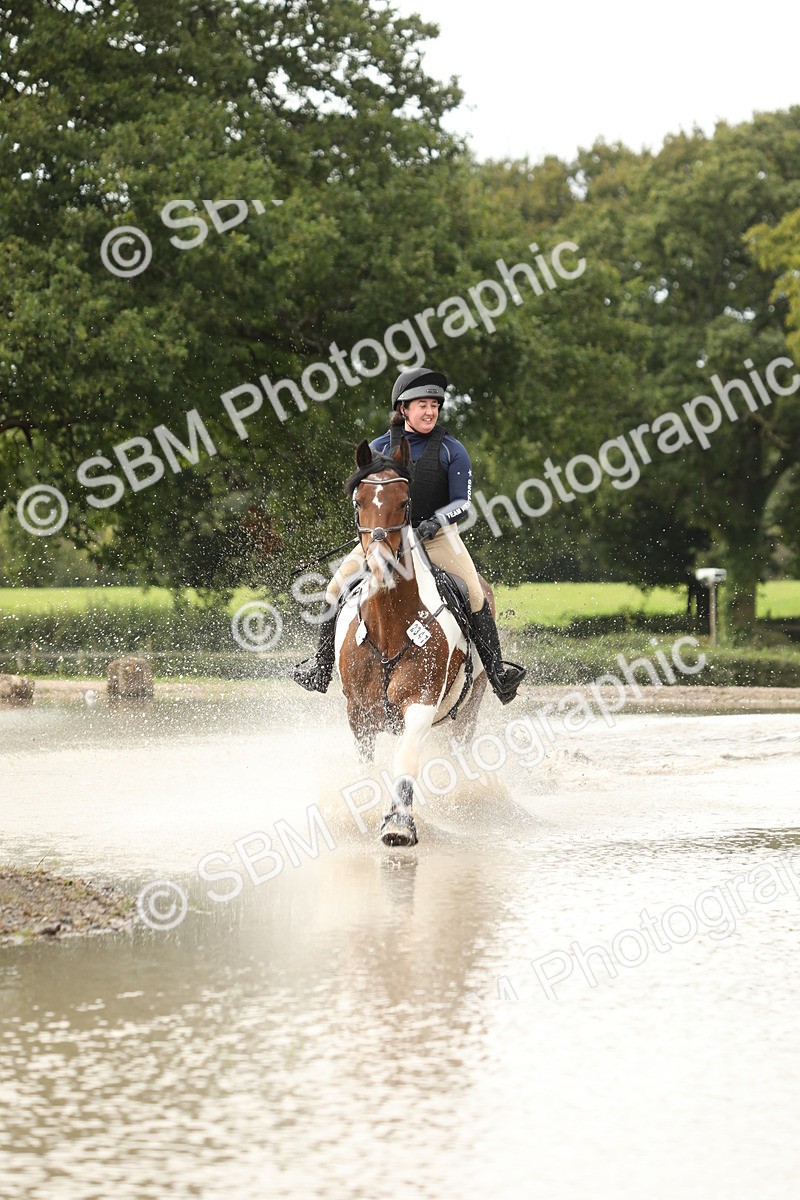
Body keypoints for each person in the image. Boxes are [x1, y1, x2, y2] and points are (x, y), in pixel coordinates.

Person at [293, 366, 527, 703]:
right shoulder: (376, 449)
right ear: (403, 409)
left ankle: (497, 675)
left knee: (475, 594)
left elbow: (463, 501)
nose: (430, 411)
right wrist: (374, 533)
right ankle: (320, 667)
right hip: (385, 539)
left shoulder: (451, 450)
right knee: (334, 588)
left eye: (435, 405)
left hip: (437, 537)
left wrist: (436, 521)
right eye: (422, 405)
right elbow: (363, 499)